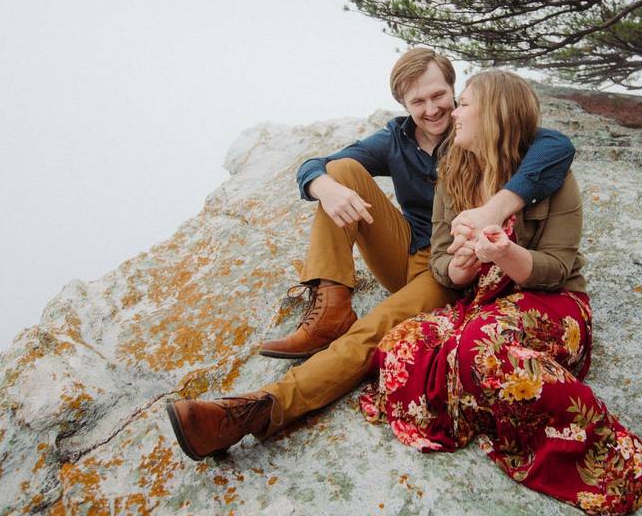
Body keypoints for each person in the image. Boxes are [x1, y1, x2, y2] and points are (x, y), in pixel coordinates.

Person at [166, 49, 576, 460]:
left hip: (451, 276)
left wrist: (492, 215)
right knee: (341, 172)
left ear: (456, 92)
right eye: (418, 102)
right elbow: (316, 165)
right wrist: (323, 187)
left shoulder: (476, 133)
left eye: (441, 96)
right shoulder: (399, 141)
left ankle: (257, 410)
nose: (433, 110)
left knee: (373, 329)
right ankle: (331, 307)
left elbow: (557, 146)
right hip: (417, 255)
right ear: (403, 104)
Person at [358, 70, 642, 514]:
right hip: (483, 301)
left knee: (481, 346)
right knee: (404, 344)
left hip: (554, 301)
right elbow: (443, 262)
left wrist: (504, 253)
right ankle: (486, 405)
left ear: (496, 114)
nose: (453, 113)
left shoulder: (551, 177)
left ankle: (591, 453)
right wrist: (463, 266)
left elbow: (558, 267)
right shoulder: (453, 172)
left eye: (464, 103)